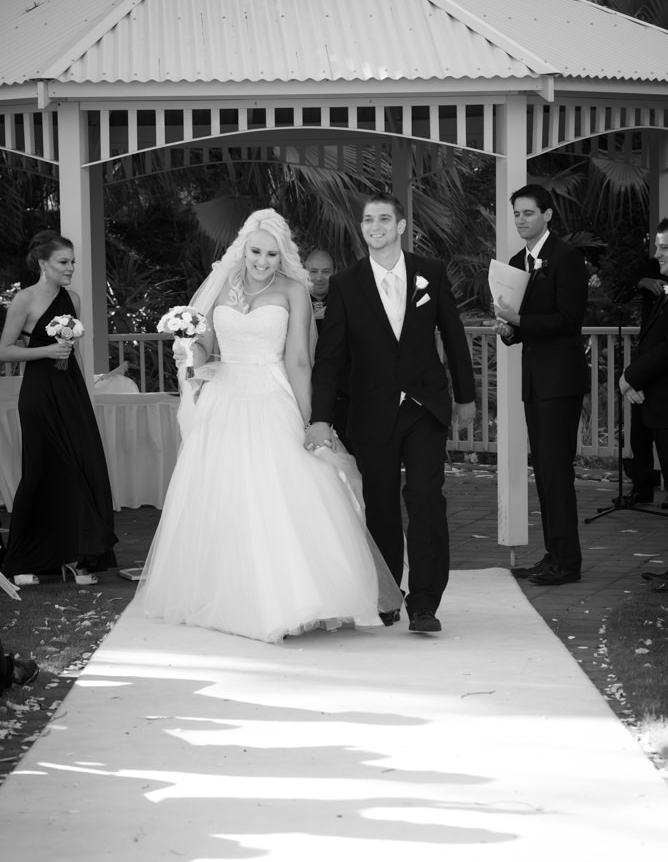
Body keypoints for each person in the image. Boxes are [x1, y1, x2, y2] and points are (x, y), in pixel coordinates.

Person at [134, 209, 402, 644]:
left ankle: (301, 598)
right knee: (225, 495)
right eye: (256, 252)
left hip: (273, 394)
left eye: (272, 254)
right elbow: (206, 347)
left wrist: (312, 418)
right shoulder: (221, 285)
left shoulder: (294, 290)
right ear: (243, 249)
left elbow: (299, 360)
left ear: (283, 256)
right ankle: (228, 594)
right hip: (224, 397)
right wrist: (189, 354)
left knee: (285, 494)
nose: (262, 261)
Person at [307, 192, 476, 633]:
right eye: (368, 220)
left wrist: (466, 395)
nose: (376, 226)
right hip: (371, 409)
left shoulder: (430, 273)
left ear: (401, 226)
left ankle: (424, 603)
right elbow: (330, 357)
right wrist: (320, 416)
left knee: (424, 498)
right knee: (379, 505)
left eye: (385, 219)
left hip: (424, 406)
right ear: (362, 229)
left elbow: (453, 335)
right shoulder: (346, 283)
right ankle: (387, 593)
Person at [0, 230, 117, 587]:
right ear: (42, 263)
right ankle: (24, 560)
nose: (71, 268)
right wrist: (45, 352)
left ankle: (78, 559)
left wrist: (84, 393)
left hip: (70, 392)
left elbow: (75, 351)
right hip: (38, 393)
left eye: (73, 262)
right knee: (43, 470)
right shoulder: (25, 299)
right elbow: (4, 350)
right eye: (63, 262)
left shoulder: (74, 299)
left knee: (83, 467)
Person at [493, 184, 589, 586]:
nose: (520, 220)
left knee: (556, 471)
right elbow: (522, 326)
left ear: (547, 216)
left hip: (561, 381)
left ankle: (567, 562)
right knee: (544, 471)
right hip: (534, 381)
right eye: (516, 214)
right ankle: (553, 555)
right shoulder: (517, 261)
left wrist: (520, 323)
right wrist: (507, 329)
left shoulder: (567, 258)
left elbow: (569, 321)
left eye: (528, 213)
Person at [618, 218, 668, 590]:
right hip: (654, 394)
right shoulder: (659, 289)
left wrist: (630, 377)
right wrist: (637, 381)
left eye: (664, 248)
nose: (657, 255)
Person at [623, 255, 666, 507]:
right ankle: (642, 487)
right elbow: (621, 287)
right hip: (646, 361)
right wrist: (643, 282)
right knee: (639, 435)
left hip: (661, 368)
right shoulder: (652, 266)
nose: (660, 253)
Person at [305, 248, 353, 452]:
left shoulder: (347, 301)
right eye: (313, 271)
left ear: (335, 272)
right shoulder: (291, 301)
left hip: (341, 393)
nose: (319, 278)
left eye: (326, 271)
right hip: (304, 389)